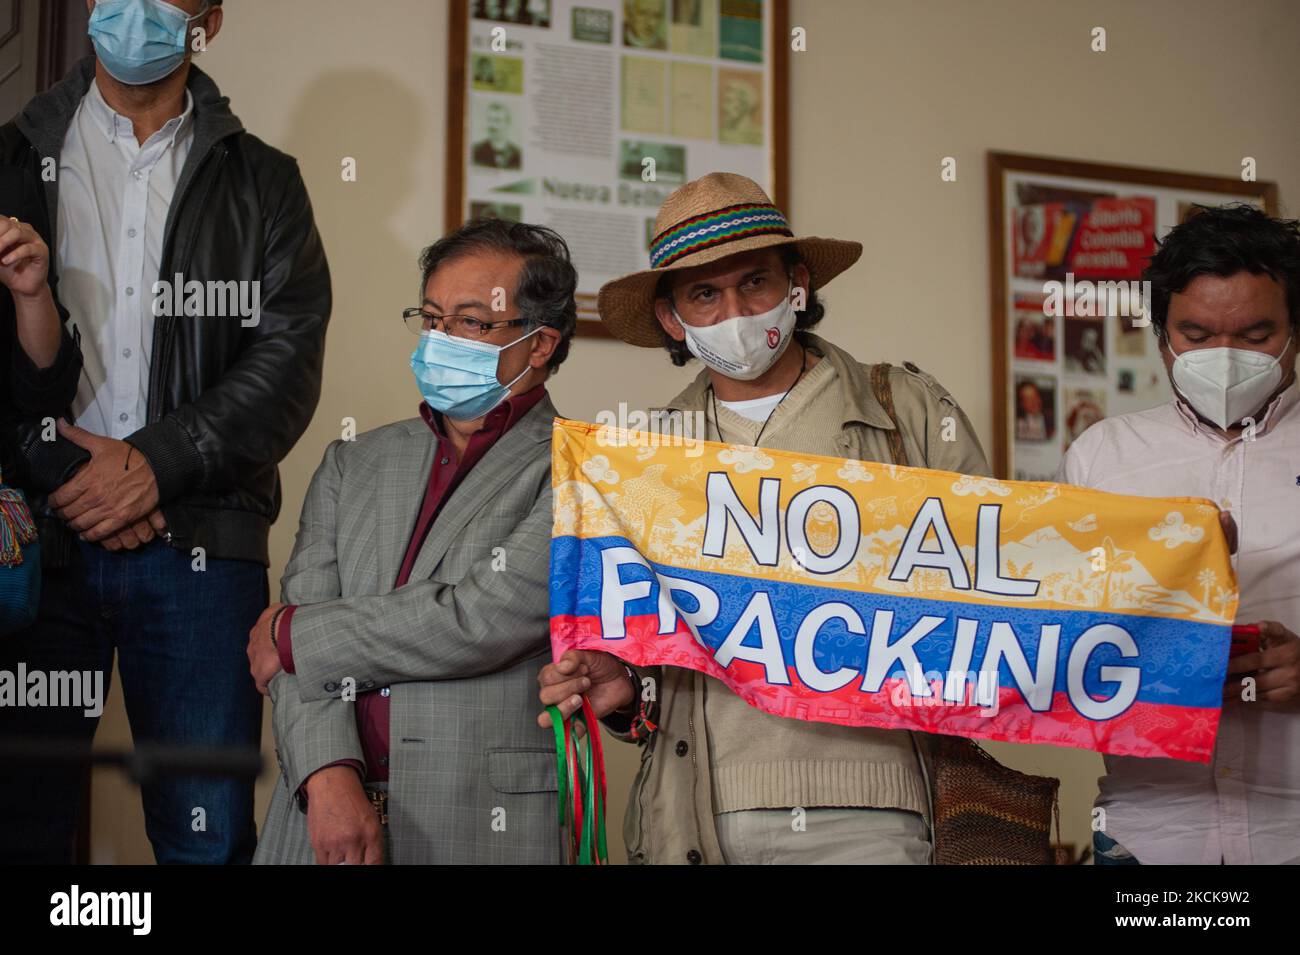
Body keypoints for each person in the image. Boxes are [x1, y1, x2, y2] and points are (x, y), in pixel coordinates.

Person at [538, 172, 991, 864]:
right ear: (671, 318)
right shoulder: (643, 458)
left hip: (874, 809)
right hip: (696, 814)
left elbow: (1008, 586)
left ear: (799, 284)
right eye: (704, 294)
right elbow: (653, 661)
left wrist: (1169, 571)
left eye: (756, 282)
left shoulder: (908, 411)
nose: (736, 310)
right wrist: (627, 692)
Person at [0, 0, 331, 864]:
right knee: (16, 824)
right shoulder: (10, 156)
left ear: (208, 22)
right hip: (33, 543)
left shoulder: (265, 182)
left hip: (200, 551)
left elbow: (286, 365)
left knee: (207, 837)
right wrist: (68, 474)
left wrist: (155, 465)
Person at [250, 219, 576, 865]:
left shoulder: (581, 468)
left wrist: (295, 633)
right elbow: (293, 662)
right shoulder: (352, 461)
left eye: (471, 322)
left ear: (539, 344)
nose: (440, 339)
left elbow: (480, 619)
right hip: (319, 812)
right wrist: (326, 776)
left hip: (484, 815)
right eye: (430, 318)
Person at [1058, 204, 1300, 864]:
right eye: (1195, 334)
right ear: (1161, 335)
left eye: (1254, 335)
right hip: (1149, 835)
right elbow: (1050, 642)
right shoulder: (1099, 458)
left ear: (1295, 331)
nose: (1223, 360)